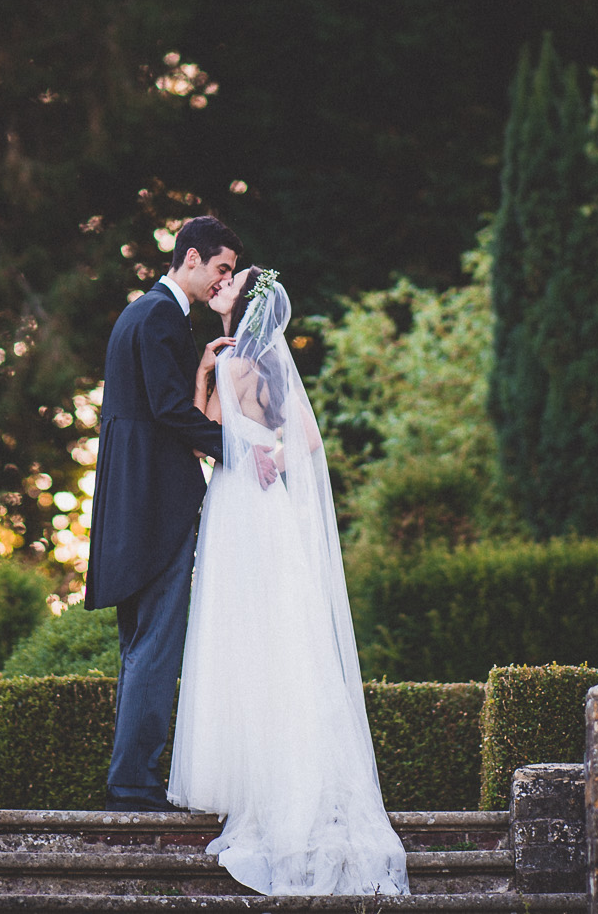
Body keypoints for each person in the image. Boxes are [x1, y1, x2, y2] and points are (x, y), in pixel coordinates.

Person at [168, 265, 408, 895]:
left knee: (245, 635)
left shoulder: (232, 362)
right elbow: (300, 436)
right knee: (281, 637)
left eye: (229, 281)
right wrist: (267, 452)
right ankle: (284, 774)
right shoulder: (261, 363)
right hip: (263, 510)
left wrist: (205, 384)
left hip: (238, 508)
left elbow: (204, 438)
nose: (219, 284)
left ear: (240, 303)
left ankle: (262, 786)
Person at [83, 214, 246, 810]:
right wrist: (240, 453)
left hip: (131, 500)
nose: (222, 282)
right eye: (221, 269)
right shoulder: (159, 316)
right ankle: (132, 783)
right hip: (157, 503)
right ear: (194, 256)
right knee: (156, 645)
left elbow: (159, 404)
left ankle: (130, 776)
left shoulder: (144, 312)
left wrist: (202, 363)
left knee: (141, 645)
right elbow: (172, 411)